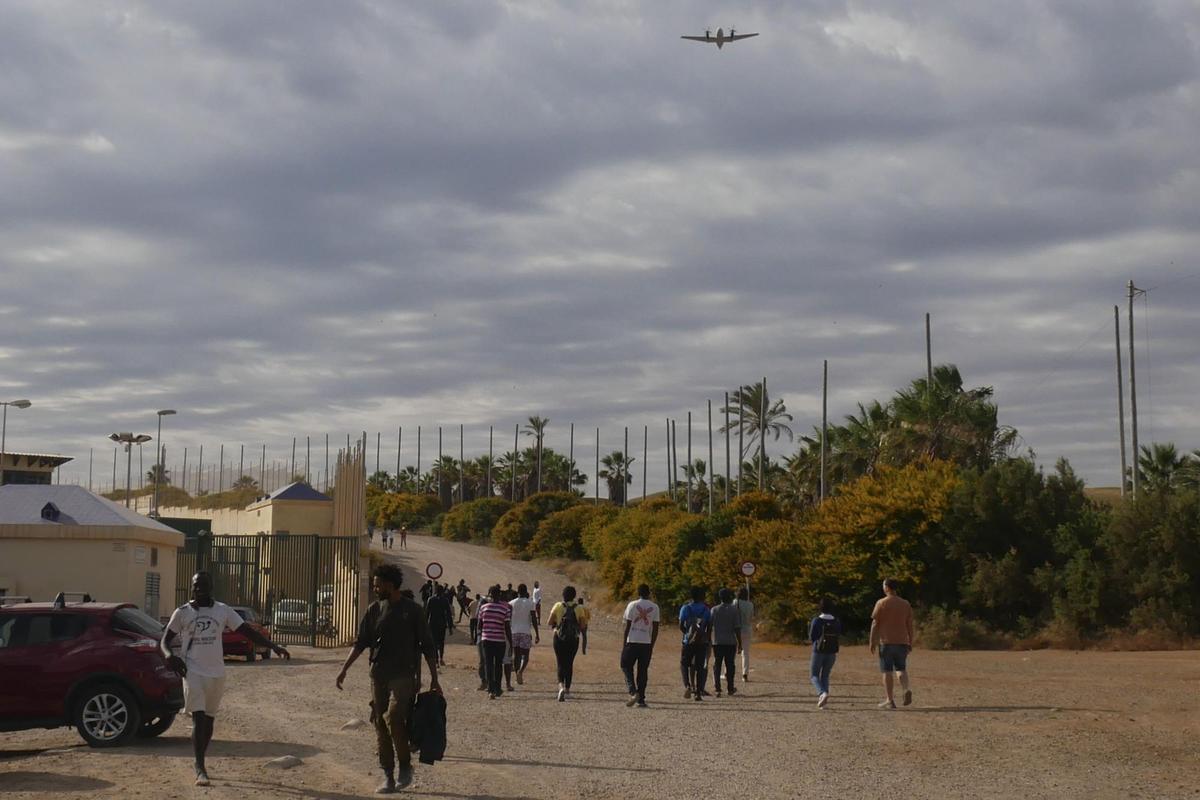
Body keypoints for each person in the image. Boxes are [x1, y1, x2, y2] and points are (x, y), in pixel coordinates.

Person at [161, 572, 290, 787]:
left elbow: (247, 631)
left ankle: (202, 758)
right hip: (192, 671)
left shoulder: (222, 610)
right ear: (191, 588)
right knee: (198, 717)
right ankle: (200, 766)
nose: (199, 589)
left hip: (216, 673)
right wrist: (169, 656)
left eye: (203, 585)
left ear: (211, 587)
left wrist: (273, 646)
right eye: (195, 585)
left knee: (209, 719)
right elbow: (165, 640)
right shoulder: (181, 613)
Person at [336, 563, 440, 794]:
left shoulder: (413, 611)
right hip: (378, 675)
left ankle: (405, 766)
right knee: (380, 724)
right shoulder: (374, 610)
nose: (374, 588)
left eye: (377, 584)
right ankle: (388, 775)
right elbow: (361, 642)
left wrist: (434, 678)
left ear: (390, 585)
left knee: (393, 717)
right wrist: (344, 669)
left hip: (404, 675)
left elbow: (428, 646)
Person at [869, 578, 915, 709]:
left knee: (887, 671)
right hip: (902, 642)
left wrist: (872, 640)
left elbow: (875, 623)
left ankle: (890, 700)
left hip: (886, 642)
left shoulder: (881, 603)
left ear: (887, 588)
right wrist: (910, 641)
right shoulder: (905, 604)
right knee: (901, 668)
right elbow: (909, 624)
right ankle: (906, 689)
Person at [620, 583, 659, 708]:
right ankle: (641, 699)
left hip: (632, 641)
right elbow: (655, 628)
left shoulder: (632, 605)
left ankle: (633, 691)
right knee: (643, 671)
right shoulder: (655, 607)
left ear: (638, 593)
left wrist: (624, 643)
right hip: (646, 643)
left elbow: (628, 626)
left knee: (625, 665)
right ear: (649, 593)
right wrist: (651, 644)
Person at [548, 585, 590, 701]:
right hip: (573, 639)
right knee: (569, 663)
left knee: (560, 662)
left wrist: (557, 625)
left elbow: (549, 621)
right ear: (574, 596)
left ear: (563, 595)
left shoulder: (558, 605)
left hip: (559, 638)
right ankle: (567, 689)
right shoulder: (579, 608)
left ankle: (560, 686)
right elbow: (582, 626)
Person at [477, 585, 513, 698]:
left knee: (488, 664)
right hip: (499, 641)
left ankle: (490, 690)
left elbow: (479, 626)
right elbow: (507, 627)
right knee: (498, 665)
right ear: (500, 595)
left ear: (490, 595)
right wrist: (510, 642)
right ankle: (497, 689)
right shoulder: (504, 609)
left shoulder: (483, 608)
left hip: (486, 640)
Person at [678, 586, 711, 702]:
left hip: (688, 641)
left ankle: (687, 685)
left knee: (684, 664)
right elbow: (709, 626)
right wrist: (706, 638)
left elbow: (681, 625)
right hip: (702, 641)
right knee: (700, 667)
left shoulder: (685, 608)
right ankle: (698, 692)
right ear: (702, 596)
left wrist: (688, 634)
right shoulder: (706, 609)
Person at [809, 597, 841, 709]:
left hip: (818, 651)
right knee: (825, 675)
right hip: (832, 652)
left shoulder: (817, 620)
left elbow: (812, 637)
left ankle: (822, 693)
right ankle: (824, 701)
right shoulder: (836, 621)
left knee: (814, 675)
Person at [709, 588, 741, 698]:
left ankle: (717, 688)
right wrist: (740, 643)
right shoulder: (734, 610)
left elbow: (709, 626)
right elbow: (737, 628)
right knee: (730, 665)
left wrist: (709, 639)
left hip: (717, 641)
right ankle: (730, 688)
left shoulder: (714, 610)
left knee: (717, 664)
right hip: (730, 641)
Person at [508, 583, 539, 685]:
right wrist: (537, 633)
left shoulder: (511, 603)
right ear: (526, 592)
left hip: (514, 632)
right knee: (525, 656)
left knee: (516, 655)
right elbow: (534, 619)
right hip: (525, 632)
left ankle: (517, 675)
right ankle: (520, 672)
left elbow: (508, 619)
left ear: (518, 592)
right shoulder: (530, 603)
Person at [425, 584, 456, 667]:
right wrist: (450, 627)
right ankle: (441, 658)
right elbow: (448, 614)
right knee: (441, 642)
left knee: (434, 642)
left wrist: (425, 625)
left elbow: (427, 613)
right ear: (442, 592)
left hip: (432, 624)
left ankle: (436, 659)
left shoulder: (430, 599)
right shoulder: (445, 600)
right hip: (442, 624)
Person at [736, 587, 754, 682]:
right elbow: (751, 617)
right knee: (745, 653)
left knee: (732, 652)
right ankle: (745, 674)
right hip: (747, 629)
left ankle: (727, 672)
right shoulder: (750, 604)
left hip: (736, 630)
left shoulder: (735, 602)